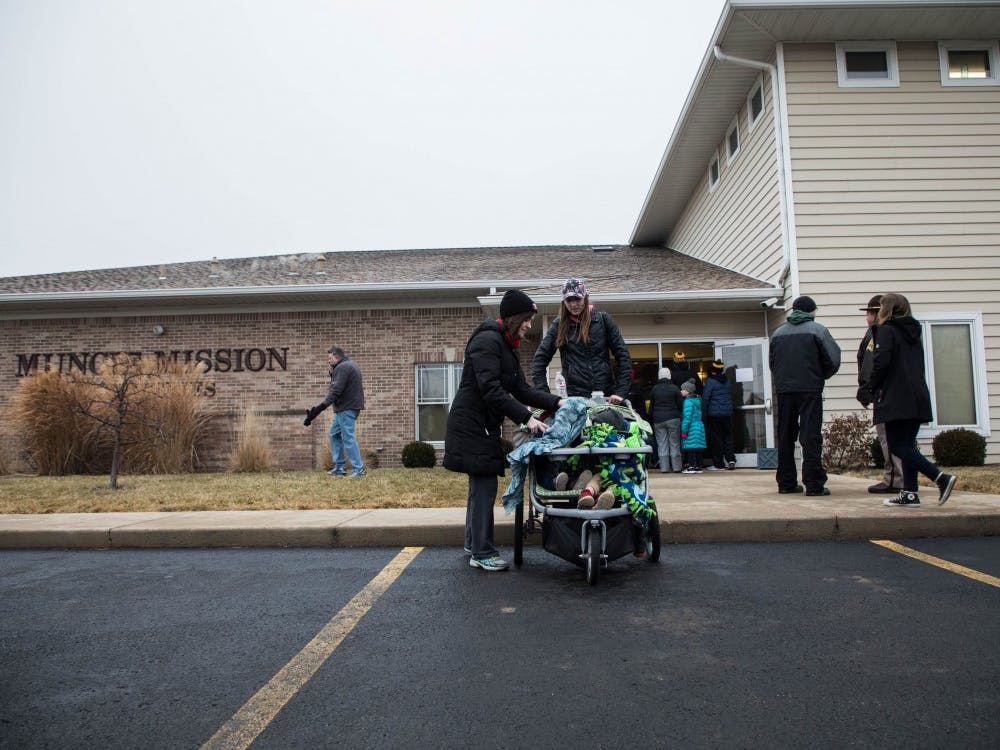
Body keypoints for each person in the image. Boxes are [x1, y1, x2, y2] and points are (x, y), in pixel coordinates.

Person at [444, 289, 564, 571]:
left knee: (480, 485)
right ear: (514, 317)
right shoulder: (487, 341)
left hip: (481, 423)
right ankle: (482, 552)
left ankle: (473, 544)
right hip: (472, 423)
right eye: (527, 319)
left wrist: (558, 402)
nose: (529, 325)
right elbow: (491, 390)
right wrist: (527, 419)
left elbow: (521, 389)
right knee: (484, 485)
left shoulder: (506, 346)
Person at [869, 293, 957, 508]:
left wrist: (872, 387)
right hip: (917, 395)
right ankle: (909, 493)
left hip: (897, 397)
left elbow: (881, 363)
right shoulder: (913, 331)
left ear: (886, 309)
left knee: (898, 446)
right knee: (908, 445)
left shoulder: (886, 331)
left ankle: (940, 477)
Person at [768, 295, 841, 496]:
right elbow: (833, 360)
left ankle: (786, 482)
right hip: (810, 389)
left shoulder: (777, 333)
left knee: (785, 436)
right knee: (810, 436)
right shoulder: (818, 330)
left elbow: (772, 364)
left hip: (784, 391)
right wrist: (819, 376)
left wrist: (783, 381)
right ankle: (814, 484)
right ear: (811, 311)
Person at [531, 278, 632, 403]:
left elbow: (623, 356)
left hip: (605, 396)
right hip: (574, 398)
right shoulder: (559, 325)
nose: (573, 304)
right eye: (569, 300)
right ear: (564, 302)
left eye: (577, 299)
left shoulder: (603, 320)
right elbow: (539, 360)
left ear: (585, 298)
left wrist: (620, 392)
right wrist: (547, 398)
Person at [856, 294, 904, 494]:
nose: (866, 317)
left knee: (888, 437)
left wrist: (867, 387)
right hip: (886, 391)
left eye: (869, 313)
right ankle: (898, 477)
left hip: (884, 393)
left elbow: (871, 363)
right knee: (891, 437)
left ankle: (894, 479)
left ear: (877, 313)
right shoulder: (879, 332)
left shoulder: (880, 334)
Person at [304, 346, 367, 477]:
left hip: (346, 408)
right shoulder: (348, 365)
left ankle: (359, 468)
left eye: (330, 358)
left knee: (348, 437)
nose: (328, 361)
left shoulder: (342, 367)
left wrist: (319, 408)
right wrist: (332, 374)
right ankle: (339, 467)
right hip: (347, 407)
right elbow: (341, 385)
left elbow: (336, 391)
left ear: (337, 356)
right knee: (334, 434)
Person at [648, 367, 683, 473]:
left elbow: (651, 406)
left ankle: (664, 468)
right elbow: (680, 405)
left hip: (658, 419)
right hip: (673, 418)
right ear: (669, 376)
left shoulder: (655, 389)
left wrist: (652, 416)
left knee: (662, 444)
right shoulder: (675, 388)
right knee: (674, 443)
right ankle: (677, 467)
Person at [703, 359, 736, 470]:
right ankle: (731, 459)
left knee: (717, 439)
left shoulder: (711, 381)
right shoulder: (727, 380)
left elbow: (706, 398)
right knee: (728, 437)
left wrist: (704, 414)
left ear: (712, 370)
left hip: (714, 414)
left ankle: (719, 464)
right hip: (727, 413)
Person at [679, 380, 706, 473]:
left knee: (690, 447)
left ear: (688, 391)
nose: (681, 391)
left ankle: (691, 466)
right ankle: (698, 466)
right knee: (697, 447)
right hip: (698, 425)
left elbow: (687, 417)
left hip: (691, 427)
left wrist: (684, 430)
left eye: (682, 390)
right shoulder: (698, 400)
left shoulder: (688, 402)